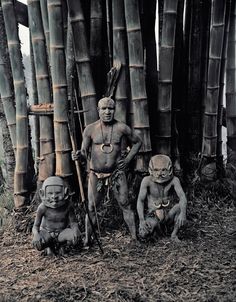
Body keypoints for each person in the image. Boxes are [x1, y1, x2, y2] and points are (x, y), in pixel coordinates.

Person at [74, 97, 142, 245]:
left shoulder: (121, 128)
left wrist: (128, 159)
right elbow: (84, 153)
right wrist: (79, 155)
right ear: (98, 111)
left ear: (114, 110)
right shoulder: (90, 129)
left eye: (110, 108)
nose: (107, 111)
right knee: (91, 207)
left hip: (116, 173)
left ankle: (134, 238)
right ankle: (87, 239)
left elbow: (137, 142)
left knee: (125, 203)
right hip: (96, 173)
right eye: (104, 108)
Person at [137, 154, 187, 243]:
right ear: (150, 170)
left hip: (168, 214)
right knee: (143, 234)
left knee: (180, 207)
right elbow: (140, 201)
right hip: (153, 215)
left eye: (163, 170)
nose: (159, 174)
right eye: (156, 170)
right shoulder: (146, 181)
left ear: (170, 170)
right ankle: (158, 233)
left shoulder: (174, 180)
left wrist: (183, 213)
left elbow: (182, 197)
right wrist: (141, 220)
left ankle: (173, 235)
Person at [32, 176, 81, 255]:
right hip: (47, 232)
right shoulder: (42, 208)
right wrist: (36, 235)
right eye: (50, 193)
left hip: (62, 232)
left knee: (74, 237)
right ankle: (49, 246)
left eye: (58, 193)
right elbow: (35, 226)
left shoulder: (68, 206)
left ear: (65, 192)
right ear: (42, 193)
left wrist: (76, 229)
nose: (54, 196)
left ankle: (62, 245)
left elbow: (73, 222)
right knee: (39, 243)